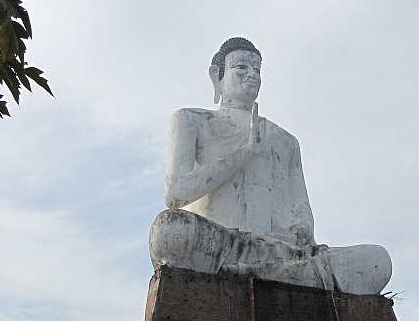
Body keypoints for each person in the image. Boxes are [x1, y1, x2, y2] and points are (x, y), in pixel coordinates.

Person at [149, 37, 391, 294]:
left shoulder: (286, 141)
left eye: (257, 69)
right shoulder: (191, 120)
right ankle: (283, 277)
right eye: (242, 67)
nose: (252, 75)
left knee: (377, 260)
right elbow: (174, 194)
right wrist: (243, 153)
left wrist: (301, 227)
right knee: (169, 230)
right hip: (223, 244)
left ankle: (260, 272)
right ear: (216, 76)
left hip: (283, 251)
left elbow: (301, 207)